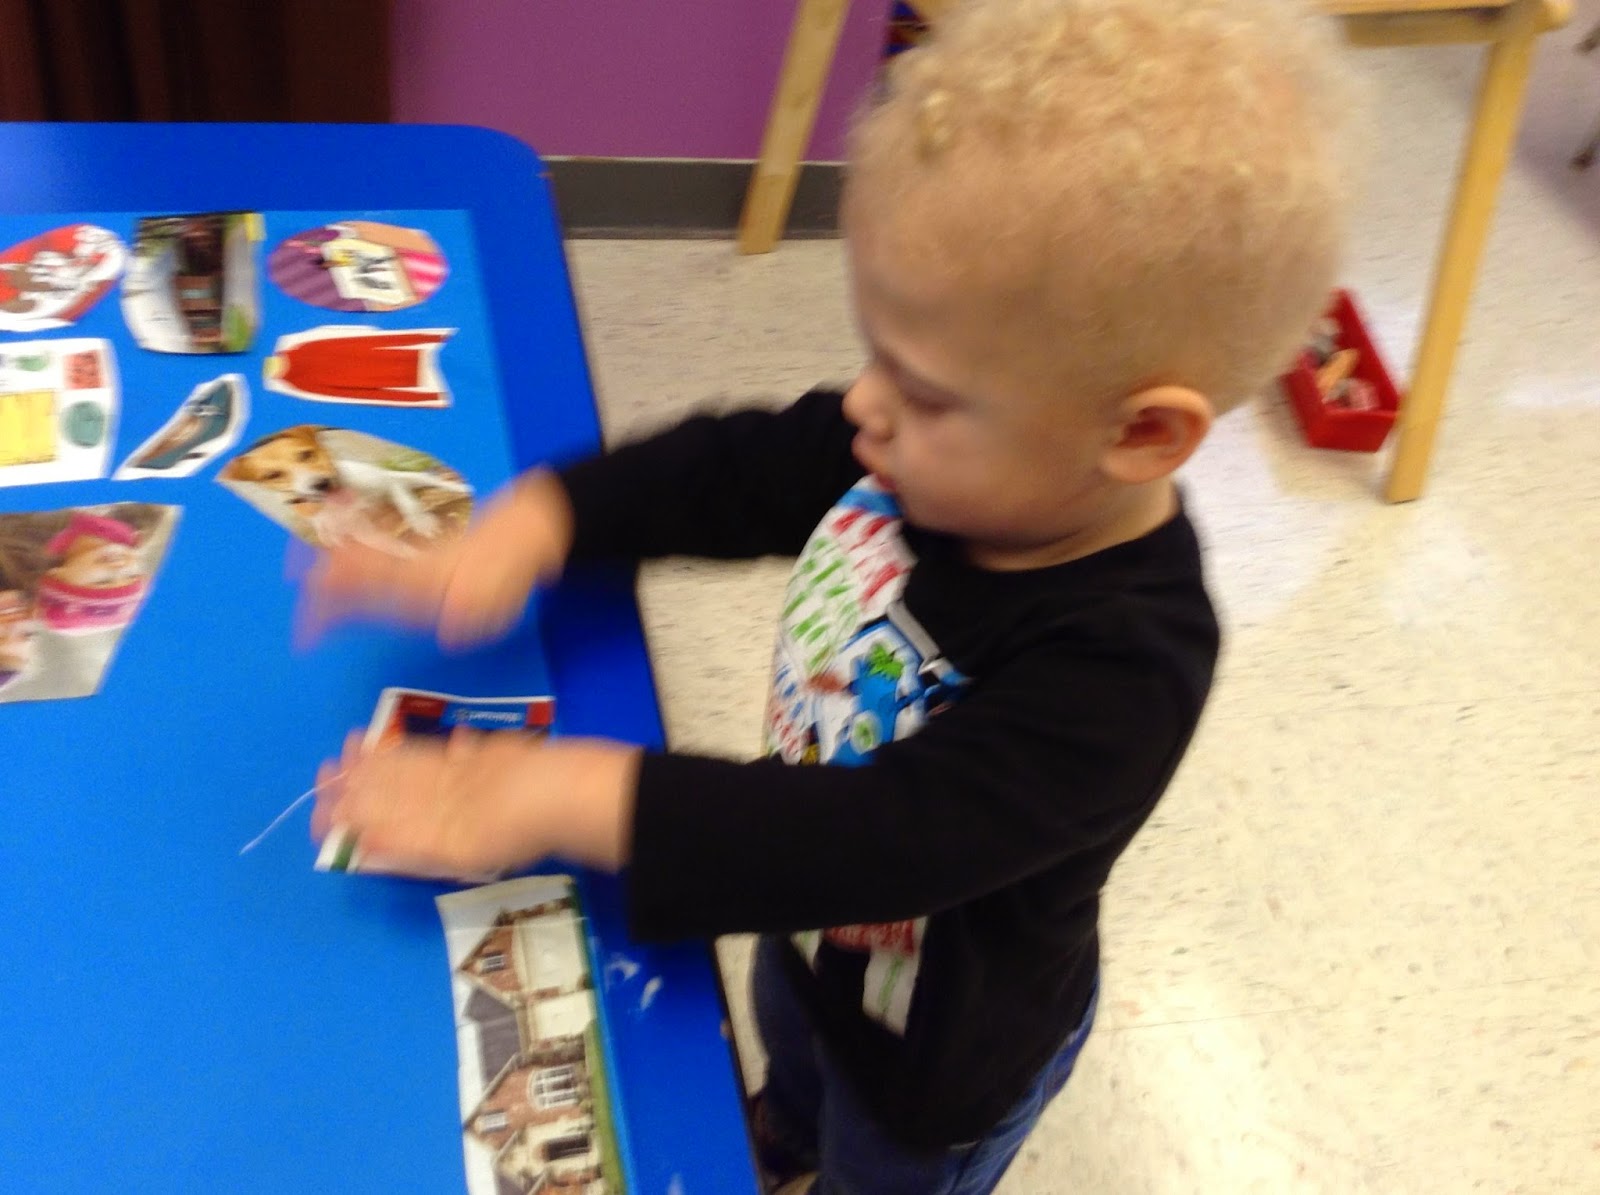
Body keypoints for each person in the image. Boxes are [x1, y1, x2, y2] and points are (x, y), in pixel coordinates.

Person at [301, 0, 1355, 1189]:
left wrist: (556, 791)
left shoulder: (1124, 669)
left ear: (1140, 433)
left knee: (877, 1159)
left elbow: (872, 842)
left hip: (935, 1062)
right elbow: (737, 469)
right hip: (805, 938)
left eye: (922, 388)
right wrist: (543, 521)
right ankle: (787, 1129)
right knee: (794, 1060)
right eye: (874, 356)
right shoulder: (937, 452)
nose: (862, 405)